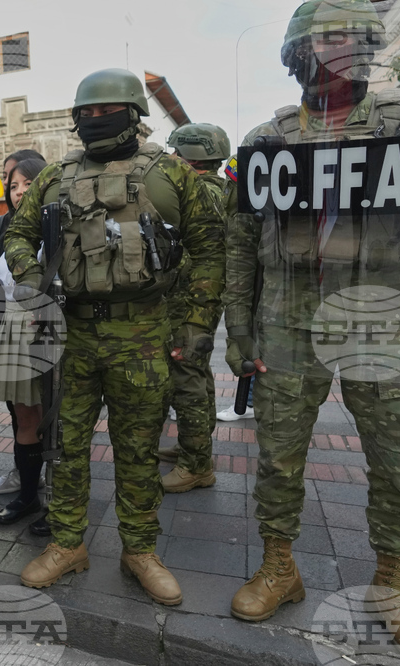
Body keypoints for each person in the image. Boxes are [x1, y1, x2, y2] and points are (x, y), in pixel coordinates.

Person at [223, 3, 400, 661]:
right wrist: (238, 333)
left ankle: (395, 585)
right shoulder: (266, 141)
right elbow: (241, 246)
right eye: (320, 39)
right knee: (276, 456)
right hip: (287, 320)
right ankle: (280, 565)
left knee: (396, 463)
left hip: (382, 321)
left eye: (347, 38)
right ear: (295, 52)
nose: (334, 51)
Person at [6, 69, 225, 605]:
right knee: (67, 447)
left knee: (138, 448)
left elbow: (211, 248)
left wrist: (196, 323)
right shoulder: (54, 178)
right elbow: (17, 232)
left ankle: (140, 551)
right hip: (75, 334)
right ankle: (66, 544)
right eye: (88, 113)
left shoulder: (171, 175)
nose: (96, 121)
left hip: (145, 334)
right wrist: (33, 283)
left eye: (109, 112)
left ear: (135, 117)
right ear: (76, 119)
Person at [158, 123, 232, 493]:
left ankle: (197, 465)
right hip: (204, 297)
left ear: (186, 156)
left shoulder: (193, 191)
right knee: (198, 373)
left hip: (187, 298)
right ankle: (195, 445)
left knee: (184, 376)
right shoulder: (221, 188)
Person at [0, 157, 49, 525]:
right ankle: (28, 496)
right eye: (13, 185)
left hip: (49, 326)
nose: (20, 191)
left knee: (59, 418)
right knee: (24, 416)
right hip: (14, 327)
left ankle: (61, 504)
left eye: (28, 183)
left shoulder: (60, 225)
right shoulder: (9, 230)